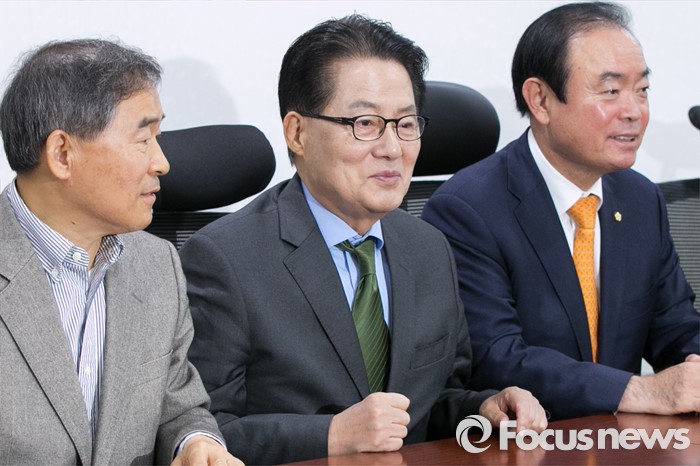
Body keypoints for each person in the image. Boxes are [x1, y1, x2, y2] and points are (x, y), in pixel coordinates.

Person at [180, 14, 547, 465]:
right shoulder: (226, 258)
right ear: (297, 132)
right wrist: (330, 435)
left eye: (406, 124)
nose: (392, 148)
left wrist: (484, 409)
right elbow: (199, 433)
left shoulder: (429, 247)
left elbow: (433, 403)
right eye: (366, 123)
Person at [422, 1, 700, 421]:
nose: (634, 111)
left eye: (642, 90)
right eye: (611, 91)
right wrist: (639, 390)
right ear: (540, 100)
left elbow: (674, 326)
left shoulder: (640, 198)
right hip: (526, 440)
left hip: (621, 440)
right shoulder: (467, 209)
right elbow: (495, 356)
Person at [0, 39, 242, 465]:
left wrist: (195, 443)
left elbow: (179, 407)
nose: (162, 163)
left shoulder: (158, 265)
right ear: (62, 154)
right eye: (142, 139)